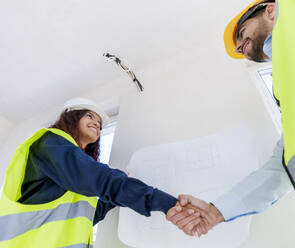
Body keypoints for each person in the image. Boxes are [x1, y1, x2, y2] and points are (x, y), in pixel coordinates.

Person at [167, 1, 295, 247]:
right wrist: (216, 211)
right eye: (240, 48)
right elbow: (282, 165)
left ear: (270, 9)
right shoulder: (286, 89)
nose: (241, 47)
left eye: (242, 34)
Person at [0, 98, 199, 248]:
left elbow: (88, 216)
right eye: (90, 116)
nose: (97, 123)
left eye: (100, 123)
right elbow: (102, 179)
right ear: (71, 117)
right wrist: (167, 204)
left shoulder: (71, 178)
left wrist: (111, 200)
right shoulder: (50, 143)